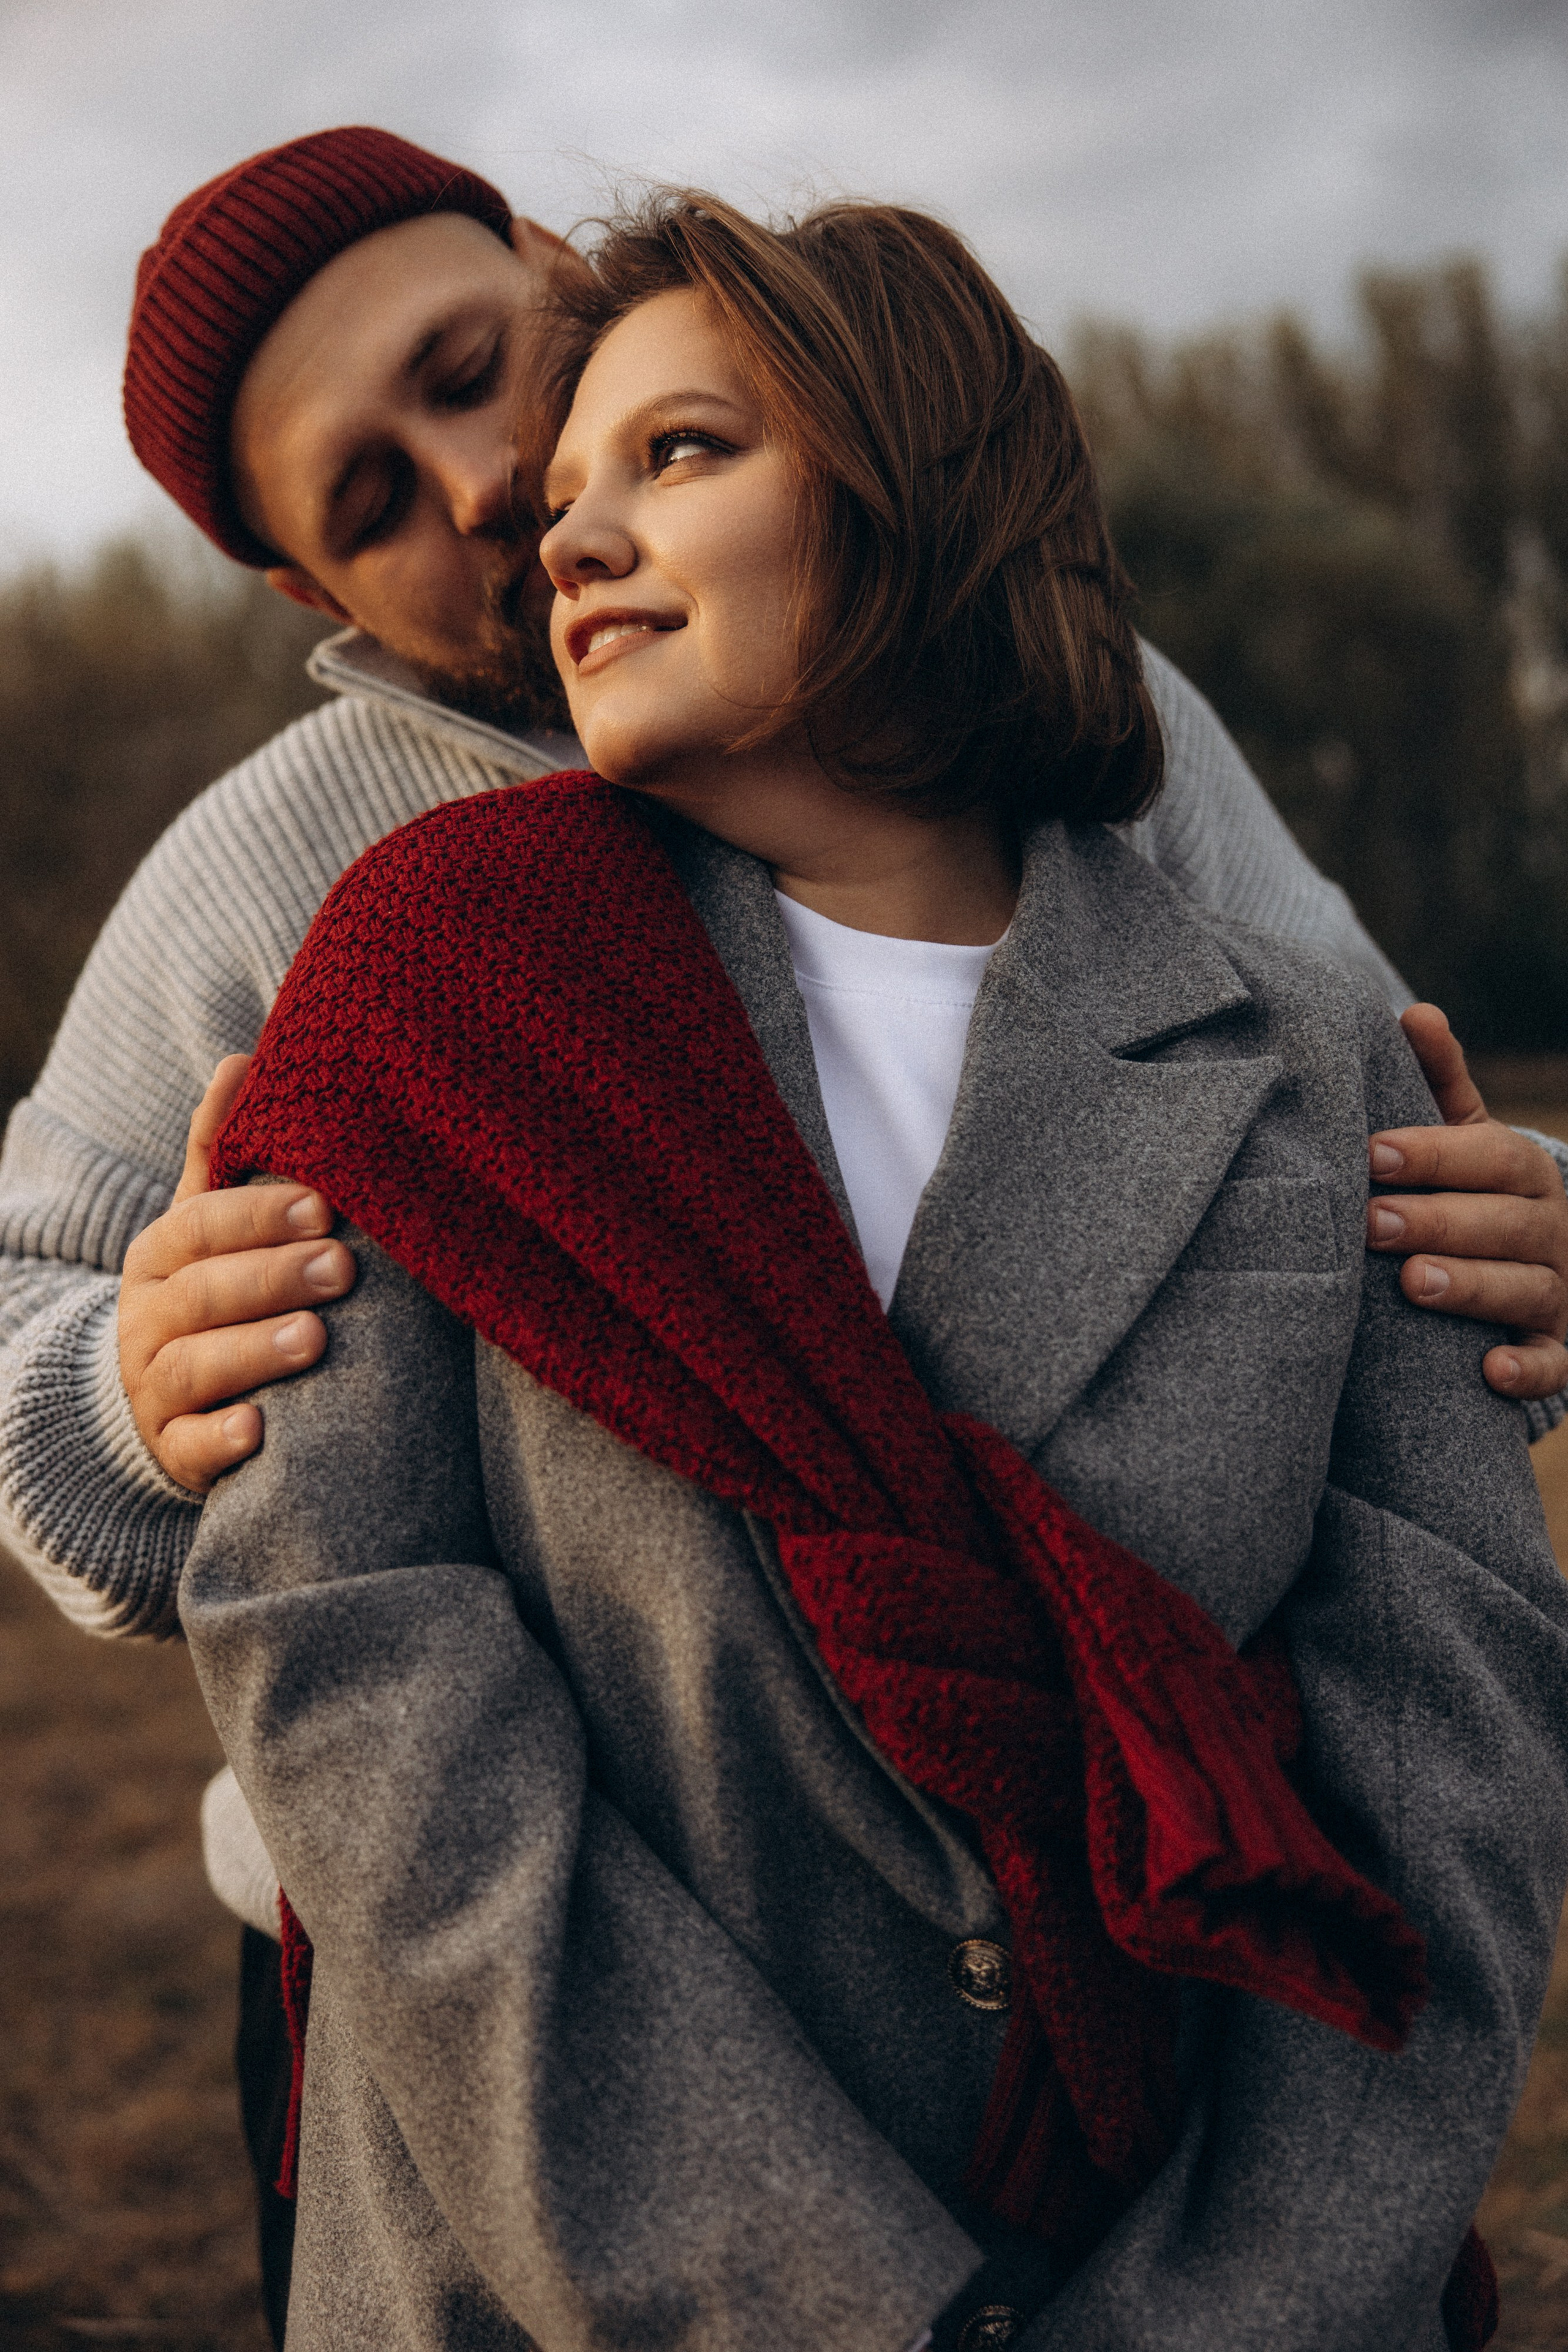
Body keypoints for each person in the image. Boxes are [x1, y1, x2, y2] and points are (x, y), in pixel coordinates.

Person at [0, 124, 1564, 2339]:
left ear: (555, 265)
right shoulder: (319, 906)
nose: (501, 488)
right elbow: (280, 1554)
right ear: (303, 597)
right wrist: (129, 1393)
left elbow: (1342, 1088)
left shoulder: (1130, 790)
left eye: (482, 366)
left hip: (1141, 2103)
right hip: (517, 2064)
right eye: (372, 498)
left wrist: (1521, 1234)